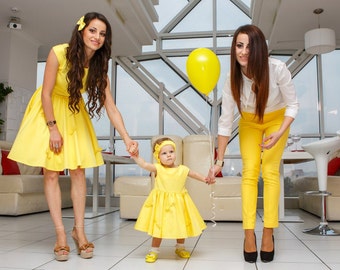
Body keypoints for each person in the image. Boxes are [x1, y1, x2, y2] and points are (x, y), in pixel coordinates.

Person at [8, 12, 138, 261]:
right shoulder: (58, 52)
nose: (97, 37)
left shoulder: (99, 68)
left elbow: (110, 106)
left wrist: (126, 137)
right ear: (81, 31)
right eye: (92, 30)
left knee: (78, 170)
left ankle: (79, 231)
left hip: (73, 110)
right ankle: (60, 235)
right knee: (52, 171)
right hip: (48, 111)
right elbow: (46, 93)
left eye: (102, 34)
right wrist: (52, 128)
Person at [208, 24, 299, 263]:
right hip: (249, 122)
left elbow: (292, 105)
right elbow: (225, 121)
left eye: (249, 46)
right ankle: (249, 234)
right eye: (239, 45)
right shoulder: (232, 78)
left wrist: (279, 133)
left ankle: (268, 232)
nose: (243, 52)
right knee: (249, 173)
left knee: (269, 172)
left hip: (276, 120)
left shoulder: (277, 69)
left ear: (259, 49)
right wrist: (219, 161)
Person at [131, 137, 213, 263]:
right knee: (159, 227)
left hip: (179, 203)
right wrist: (136, 157)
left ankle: (180, 247)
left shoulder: (182, 169)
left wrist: (205, 179)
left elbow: (194, 174)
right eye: (164, 153)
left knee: (181, 226)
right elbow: (145, 165)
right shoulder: (158, 168)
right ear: (158, 157)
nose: (168, 155)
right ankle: (154, 250)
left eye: (171, 151)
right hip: (161, 204)